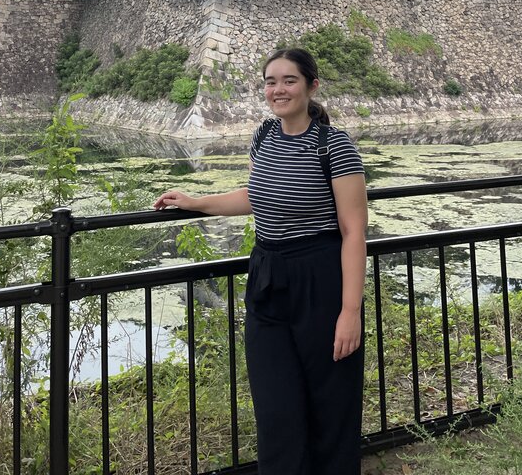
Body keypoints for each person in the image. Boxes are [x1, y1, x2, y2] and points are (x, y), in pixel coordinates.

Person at [154, 47, 368, 475]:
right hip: (268, 274)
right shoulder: (264, 136)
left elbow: (354, 232)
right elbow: (256, 196)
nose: (278, 89)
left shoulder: (335, 146)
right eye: (271, 81)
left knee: (331, 403)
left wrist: (349, 311)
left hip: (320, 277)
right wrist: (196, 202)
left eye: (289, 80)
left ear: (311, 86)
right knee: (276, 407)